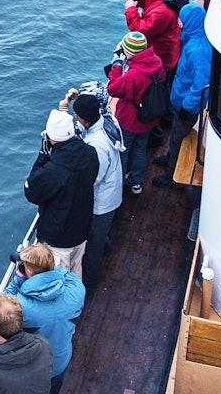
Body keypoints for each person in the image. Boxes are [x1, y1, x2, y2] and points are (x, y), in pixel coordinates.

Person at [4, 242, 85, 394]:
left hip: (33, 367)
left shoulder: (23, 306)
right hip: (60, 359)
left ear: (29, 271)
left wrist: (18, 279)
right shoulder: (77, 289)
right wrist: (44, 267)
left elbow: (3, 309)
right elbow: (63, 275)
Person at [60, 91, 124, 287]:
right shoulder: (108, 119)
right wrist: (76, 100)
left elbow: (94, 177)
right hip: (113, 189)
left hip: (102, 201)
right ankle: (104, 240)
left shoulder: (96, 145)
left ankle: (89, 279)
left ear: (86, 121)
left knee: (93, 244)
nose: (76, 121)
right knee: (100, 233)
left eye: (77, 118)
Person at [24, 110, 98, 278]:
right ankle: (77, 300)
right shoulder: (90, 153)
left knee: (59, 280)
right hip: (82, 227)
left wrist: (42, 157)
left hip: (59, 237)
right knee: (76, 269)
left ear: (50, 137)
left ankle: (70, 304)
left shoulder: (53, 170)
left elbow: (31, 191)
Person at [153, 4, 213, 187]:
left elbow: (202, 82)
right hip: (181, 96)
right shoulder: (196, 37)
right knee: (176, 132)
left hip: (187, 103)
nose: (179, 22)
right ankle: (170, 157)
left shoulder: (198, 50)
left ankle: (174, 176)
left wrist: (187, 106)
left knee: (179, 136)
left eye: (182, 19)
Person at [106, 31, 165, 194]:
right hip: (149, 116)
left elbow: (113, 88)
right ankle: (136, 182)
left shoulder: (133, 74)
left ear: (129, 52)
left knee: (123, 152)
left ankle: (119, 183)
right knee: (140, 148)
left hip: (131, 120)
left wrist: (117, 64)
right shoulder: (157, 62)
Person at [123, 0, 181, 76]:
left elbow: (139, 31)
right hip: (163, 52)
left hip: (162, 60)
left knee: (158, 86)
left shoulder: (162, 13)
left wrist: (130, 9)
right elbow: (149, 0)